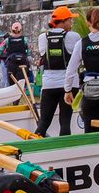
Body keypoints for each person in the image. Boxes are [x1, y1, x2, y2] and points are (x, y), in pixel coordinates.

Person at [34, 7, 82, 137]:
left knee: (43, 122)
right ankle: (65, 151)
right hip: (69, 86)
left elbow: (44, 56)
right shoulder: (74, 36)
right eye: (70, 20)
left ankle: (32, 147)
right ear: (64, 21)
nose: (71, 23)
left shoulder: (42, 37)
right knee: (65, 121)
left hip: (48, 85)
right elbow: (80, 58)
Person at [0, 22, 32, 87]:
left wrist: (2, 55)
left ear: (11, 30)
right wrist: (27, 55)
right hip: (22, 63)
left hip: (11, 64)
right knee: (21, 83)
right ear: (21, 30)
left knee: (12, 84)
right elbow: (29, 50)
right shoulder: (25, 39)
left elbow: (0, 50)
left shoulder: (7, 40)